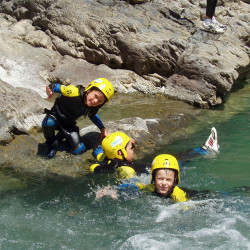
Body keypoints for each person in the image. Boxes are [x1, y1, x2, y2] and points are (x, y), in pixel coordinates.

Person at [91, 127, 220, 201]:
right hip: (149, 170)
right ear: (120, 152)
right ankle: (205, 149)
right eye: (131, 148)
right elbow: (132, 184)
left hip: (151, 174)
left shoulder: (107, 161)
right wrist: (116, 190)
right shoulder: (127, 170)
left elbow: (98, 154)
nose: (133, 150)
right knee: (177, 160)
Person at [42, 78, 114, 158]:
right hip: (55, 117)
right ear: (89, 90)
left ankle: (61, 135)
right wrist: (50, 90)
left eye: (100, 101)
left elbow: (93, 115)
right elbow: (55, 86)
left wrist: (102, 128)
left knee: (79, 150)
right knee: (48, 122)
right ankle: (51, 144)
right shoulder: (73, 92)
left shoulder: (91, 107)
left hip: (68, 125)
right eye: (95, 96)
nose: (95, 101)